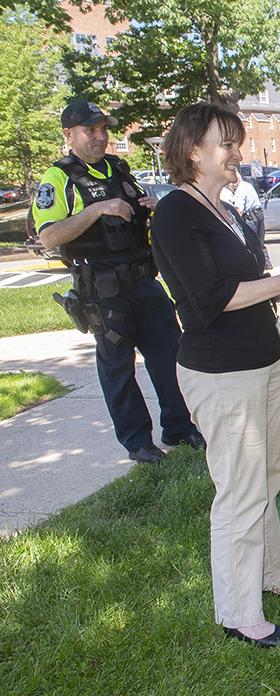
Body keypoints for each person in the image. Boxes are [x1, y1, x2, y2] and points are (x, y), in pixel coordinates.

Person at [150, 103, 280, 649]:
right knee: (239, 490)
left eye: (237, 142)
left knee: (267, 477)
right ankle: (238, 612)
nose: (238, 152)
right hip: (221, 372)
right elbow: (211, 299)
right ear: (194, 152)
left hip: (262, 360)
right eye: (227, 143)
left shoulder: (223, 209)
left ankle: (272, 576)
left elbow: (252, 282)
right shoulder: (175, 215)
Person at [32, 100, 203, 464]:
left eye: (103, 129)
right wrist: (96, 210)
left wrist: (154, 205)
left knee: (170, 357)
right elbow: (48, 237)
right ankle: (138, 442)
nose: (99, 137)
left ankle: (179, 426)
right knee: (118, 369)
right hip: (103, 291)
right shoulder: (59, 178)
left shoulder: (119, 169)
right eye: (90, 131)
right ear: (69, 134)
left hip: (144, 281)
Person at [220, 171, 270, 268]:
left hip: (251, 217)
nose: (231, 186)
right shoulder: (248, 185)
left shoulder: (240, 190)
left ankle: (259, 265)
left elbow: (239, 209)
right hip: (258, 214)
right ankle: (267, 263)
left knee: (252, 243)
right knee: (260, 240)